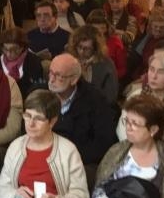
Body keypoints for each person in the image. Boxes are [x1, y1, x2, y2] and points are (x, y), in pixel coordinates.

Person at [49, 54, 118, 188]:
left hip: (81, 161)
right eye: (50, 73)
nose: (51, 80)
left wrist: (70, 158)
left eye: (58, 76)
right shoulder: (42, 95)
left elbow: (103, 142)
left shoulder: (96, 101)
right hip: (46, 156)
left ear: (74, 79)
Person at [66, 25, 119, 102]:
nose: (81, 51)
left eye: (86, 49)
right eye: (79, 47)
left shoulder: (106, 65)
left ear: (95, 49)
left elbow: (110, 97)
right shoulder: (69, 59)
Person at [0, 27, 46, 98]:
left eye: (13, 49)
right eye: (5, 49)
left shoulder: (33, 62)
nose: (8, 54)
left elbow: (36, 90)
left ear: (22, 47)